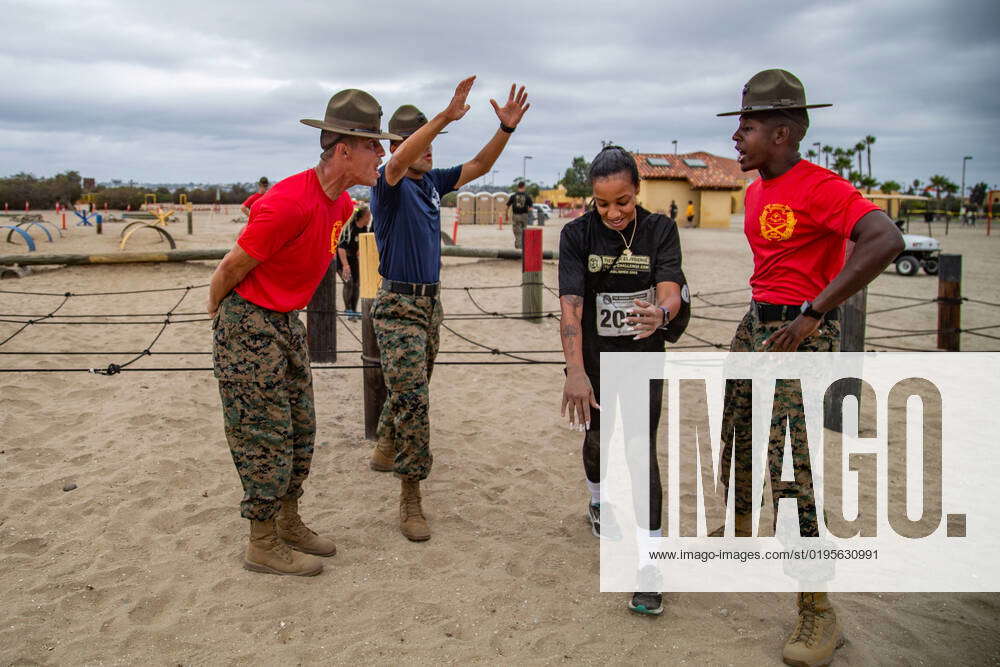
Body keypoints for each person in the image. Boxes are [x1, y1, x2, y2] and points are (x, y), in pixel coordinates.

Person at [716, 69, 903, 666]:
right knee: (736, 434)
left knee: (790, 467)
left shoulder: (821, 186)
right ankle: (743, 533)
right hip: (757, 325)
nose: (736, 138)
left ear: (782, 133)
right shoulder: (755, 191)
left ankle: (819, 611)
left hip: (796, 336)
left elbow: (883, 239)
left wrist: (814, 313)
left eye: (746, 127)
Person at [207, 88, 400, 576]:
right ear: (344, 151)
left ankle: (288, 521)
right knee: (261, 434)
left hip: (285, 323)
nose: (381, 153)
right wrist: (220, 318)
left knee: (299, 429)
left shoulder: (339, 207)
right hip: (248, 320)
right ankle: (262, 541)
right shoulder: (288, 202)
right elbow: (229, 269)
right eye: (373, 145)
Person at [368, 77, 530, 542]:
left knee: (410, 388)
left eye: (436, 141)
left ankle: (385, 443)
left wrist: (505, 130)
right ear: (399, 144)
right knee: (415, 400)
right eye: (425, 141)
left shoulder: (432, 184)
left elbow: (479, 164)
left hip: (430, 305)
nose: (432, 149)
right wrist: (442, 117)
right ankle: (410, 496)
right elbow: (397, 160)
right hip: (397, 305)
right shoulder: (389, 183)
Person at [558, 145, 687, 617]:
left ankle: (650, 565)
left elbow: (672, 288)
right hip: (594, 359)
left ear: (638, 191)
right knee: (597, 441)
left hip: (641, 358)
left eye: (623, 202)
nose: (613, 212)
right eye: (603, 203)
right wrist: (575, 372)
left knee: (639, 451)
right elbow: (570, 304)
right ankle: (596, 499)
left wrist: (662, 312)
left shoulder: (660, 230)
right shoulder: (576, 234)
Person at [337, 204, 371, 317]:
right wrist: (345, 265)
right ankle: (348, 309)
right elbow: (341, 248)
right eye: (368, 216)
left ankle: (355, 310)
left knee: (357, 284)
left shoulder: (365, 228)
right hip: (342, 260)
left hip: (354, 260)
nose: (370, 219)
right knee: (349, 282)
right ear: (361, 217)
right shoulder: (349, 228)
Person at [506, 181, 533, 248]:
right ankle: (523, 247)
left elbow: (507, 206)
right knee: (524, 232)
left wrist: (506, 215)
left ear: (518, 187)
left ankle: (519, 248)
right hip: (524, 216)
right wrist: (526, 211)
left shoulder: (513, 196)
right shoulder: (527, 196)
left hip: (516, 216)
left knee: (517, 233)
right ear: (524, 187)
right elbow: (531, 208)